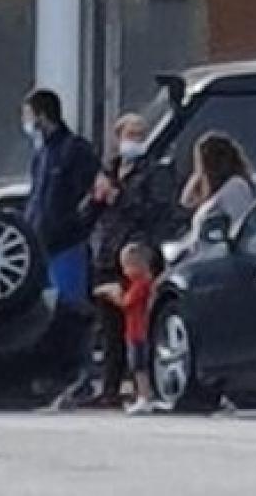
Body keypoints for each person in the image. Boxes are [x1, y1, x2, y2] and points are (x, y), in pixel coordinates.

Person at [83, 113, 175, 407]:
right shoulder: (108, 170)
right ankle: (109, 389)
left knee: (135, 322)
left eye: (140, 134)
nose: (134, 140)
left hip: (135, 253)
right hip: (107, 253)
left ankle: (144, 388)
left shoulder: (153, 171)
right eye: (130, 134)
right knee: (108, 327)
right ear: (118, 136)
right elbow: (88, 212)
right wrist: (97, 197)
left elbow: (154, 212)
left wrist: (117, 197)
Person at [21, 89, 101, 408]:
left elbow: (93, 194)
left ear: (41, 115)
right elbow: (37, 199)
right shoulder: (42, 155)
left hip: (67, 244)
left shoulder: (74, 150)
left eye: (28, 115)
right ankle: (52, 373)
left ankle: (78, 375)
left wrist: (79, 227)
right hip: (42, 245)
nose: (27, 123)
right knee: (48, 313)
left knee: (72, 309)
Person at [94, 242, 156, 415]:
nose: (124, 271)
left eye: (127, 267)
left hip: (138, 331)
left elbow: (126, 303)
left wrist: (112, 294)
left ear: (140, 266)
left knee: (139, 366)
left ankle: (144, 396)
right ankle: (142, 395)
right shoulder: (139, 283)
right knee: (136, 365)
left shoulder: (141, 284)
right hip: (133, 331)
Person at [179, 132, 256, 250]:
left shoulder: (235, 187)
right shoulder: (217, 190)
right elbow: (186, 201)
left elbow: (240, 222)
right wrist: (198, 174)